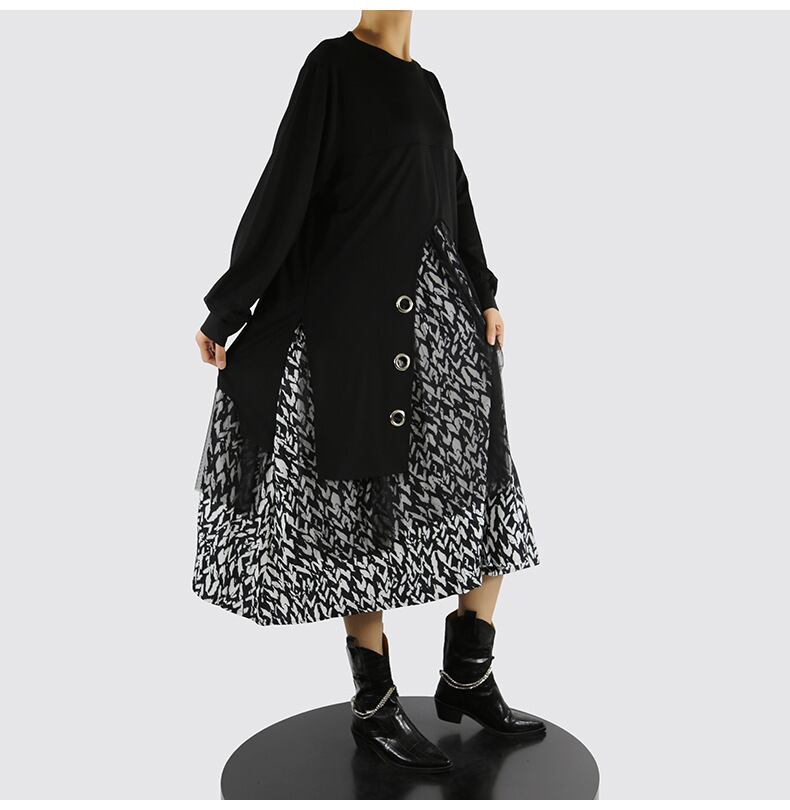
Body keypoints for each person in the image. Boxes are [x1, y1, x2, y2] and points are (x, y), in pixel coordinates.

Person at [193, 11, 544, 772]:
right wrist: (230, 305)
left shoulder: (428, 85)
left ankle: (467, 674)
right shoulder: (332, 67)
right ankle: (375, 703)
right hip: (355, 329)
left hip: (442, 331)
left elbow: (455, 194)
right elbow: (285, 187)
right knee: (361, 503)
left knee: (488, 487)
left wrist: (484, 290)